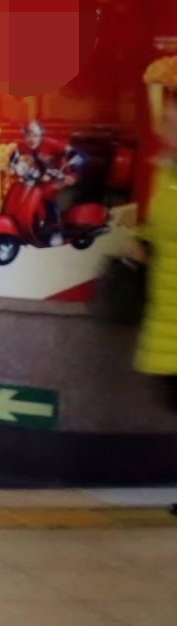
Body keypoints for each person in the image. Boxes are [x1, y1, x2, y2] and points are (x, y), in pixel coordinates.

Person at [135, 95, 177, 410]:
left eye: (174, 124)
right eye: (166, 122)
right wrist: (141, 241)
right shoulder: (166, 174)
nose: (165, 132)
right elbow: (158, 224)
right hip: (166, 325)